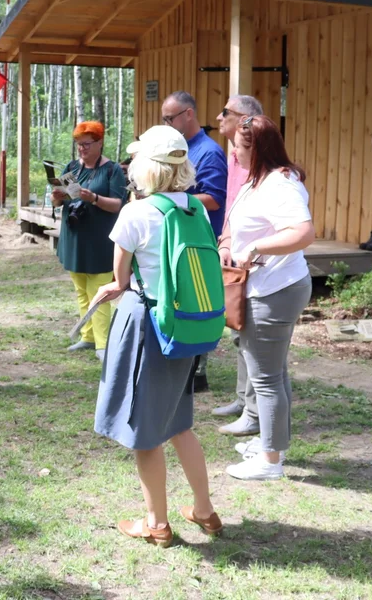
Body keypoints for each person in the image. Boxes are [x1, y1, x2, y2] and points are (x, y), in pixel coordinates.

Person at [91, 124, 222, 547]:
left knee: (145, 433)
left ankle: (157, 524)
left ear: (145, 166)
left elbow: (121, 279)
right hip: (185, 326)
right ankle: (205, 511)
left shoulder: (136, 212)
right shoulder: (196, 210)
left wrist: (112, 287)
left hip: (147, 326)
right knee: (180, 424)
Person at [220, 115, 315, 480]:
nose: (232, 152)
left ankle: (270, 461)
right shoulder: (258, 180)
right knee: (273, 372)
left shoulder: (281, 184)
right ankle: (271, 445)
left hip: (274, 290)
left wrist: (256, 247)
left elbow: (303, 232)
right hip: (266, 286)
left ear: (257, 150)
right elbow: (237, 223)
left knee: (265, 377)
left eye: (238, 147)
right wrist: (229, 244)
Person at [160, 91, 227, 392]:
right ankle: (183, 365)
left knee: (196, 304)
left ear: (188, 114)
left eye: (169, 118)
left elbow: (213, 199)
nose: (166, 123)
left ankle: (197, 373)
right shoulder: (181, 149)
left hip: (199, 243)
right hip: (180, 241)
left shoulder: (208, 152)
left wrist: (169, 199)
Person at [52, 121, 128, 356]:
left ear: (100, 142)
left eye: (86, 144)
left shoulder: (112, 170)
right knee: (81, 290)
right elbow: (59, 202)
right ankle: (88, 336)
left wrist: (93, 198)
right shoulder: (72, 167)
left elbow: (118, 204)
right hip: (75, 238)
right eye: (78, 144)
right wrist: (56, 197)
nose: (82, 149)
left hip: (99, 241)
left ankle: (103, 343)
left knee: (101, 291)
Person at [212, 95, 264, 426]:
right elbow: (233, 205)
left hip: (257, 261)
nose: (219, 117)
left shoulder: (260, 161)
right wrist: (226, 240)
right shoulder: (233, 156)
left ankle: (256, 412)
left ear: (244, 119)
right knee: (238, 328)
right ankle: (243, 400)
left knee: (255, 335)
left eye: (226, 112)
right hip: (234, 251)